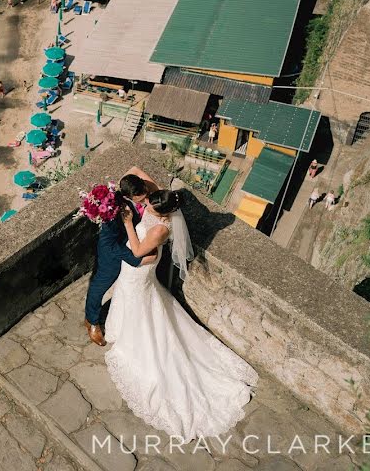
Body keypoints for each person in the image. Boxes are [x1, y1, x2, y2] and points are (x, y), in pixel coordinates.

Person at [105, 189, 257, 441]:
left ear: (163, 212)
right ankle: (125, 330)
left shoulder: (160, 229)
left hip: (140, 269)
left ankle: (141, 348)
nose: (146, 207)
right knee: (135, 301)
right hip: (134, 272)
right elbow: (138, 177)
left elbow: (138, 251)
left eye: (151, 206)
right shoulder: (159, 207)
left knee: (143, 307)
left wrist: (128, 222)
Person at [85, 167, 158, 346]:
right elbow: (111, 244)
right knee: (100, 285)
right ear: (128, 197)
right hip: (112, 251)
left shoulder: (132, 187)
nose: (146, 200)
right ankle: (91, 321)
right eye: (142, 199)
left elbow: (135, 169)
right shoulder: (111, 213)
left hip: (129, 240)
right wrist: (136, 259)